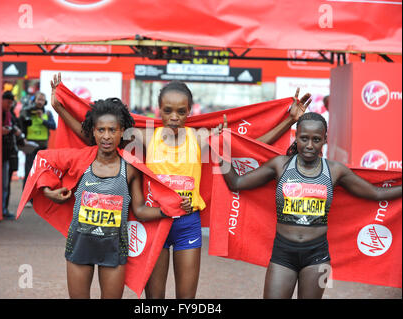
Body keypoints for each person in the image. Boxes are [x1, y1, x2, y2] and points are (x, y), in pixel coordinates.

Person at [49, 73, 311, 299]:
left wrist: (289, 120)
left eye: (181, 111)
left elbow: (248, 150)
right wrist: (60, 108)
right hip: (155, 223)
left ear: (190, 111)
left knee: (186, 297)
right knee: (155, 297)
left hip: (187, 223)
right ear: (158, 109)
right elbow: (93, 136)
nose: (174, 117)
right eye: (168, 111)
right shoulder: (144, 137)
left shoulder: (199, 139)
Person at [217, 112, 402, 299]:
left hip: (318, 257)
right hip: (283, 253)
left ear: (325, 140)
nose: (310, 145)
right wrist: (221, 149)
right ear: (296, 137)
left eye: (316, 139)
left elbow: (376, 193)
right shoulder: (280, 165)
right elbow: (237, 183)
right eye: (304, 138)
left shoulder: (335, 170)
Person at [40, 98, 187, 299]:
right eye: (101, 130)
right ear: (93, 131)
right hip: (80, 245)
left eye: (112, 130)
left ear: (122, 132)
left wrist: (169, 209)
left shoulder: (130, 168)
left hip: (114, 249)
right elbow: (44, 162)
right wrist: (48, 192)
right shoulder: (81, 160)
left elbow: (140, 210)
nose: (106, 136)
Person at [19, 91, 56, 190]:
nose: (40, 102)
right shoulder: (27, 112)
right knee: (29, 171)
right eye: (38, 99)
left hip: (43, 146)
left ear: (45, 102)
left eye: (42, 100)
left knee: (41, 172)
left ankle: (39, 196)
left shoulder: (47, 113)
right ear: (34, 100)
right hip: (30, 145)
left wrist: (42, 119)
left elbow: (53, 126)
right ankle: (27, 197)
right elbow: (21, 124)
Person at [2, 91, 24, 220]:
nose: (10, 105)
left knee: (6, 184)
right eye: (8, 102)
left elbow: (14, 128)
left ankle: (4, 209)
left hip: (9, 154)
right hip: (0, 153)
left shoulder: (10, 115)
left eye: (11, 103)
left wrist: (16, 132)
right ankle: (2, 209)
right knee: (4, 184)